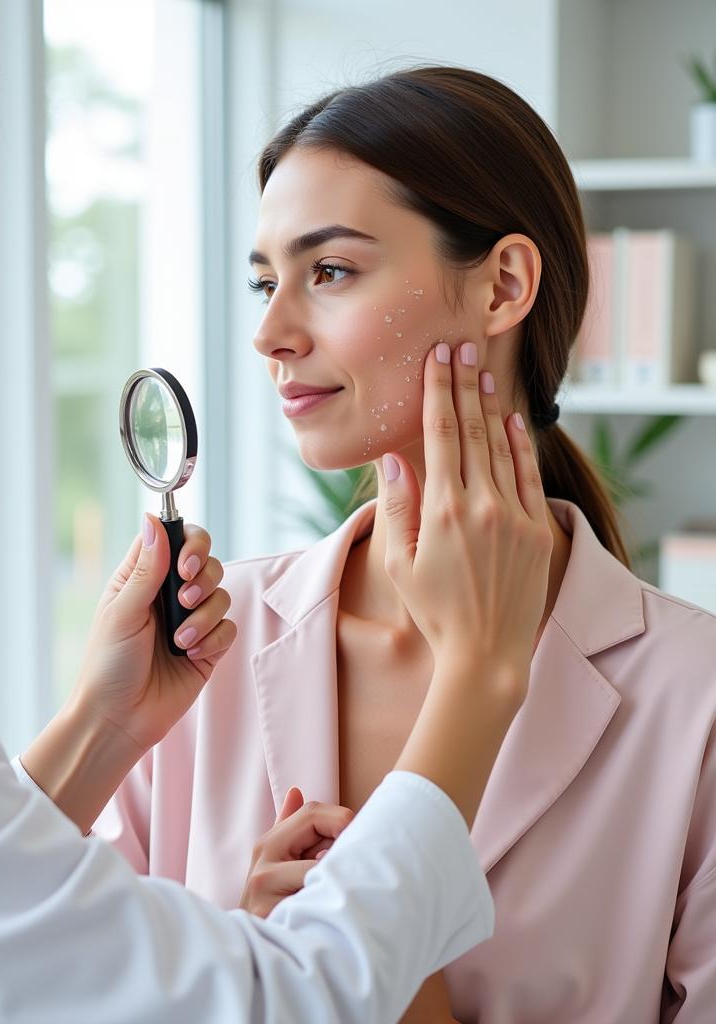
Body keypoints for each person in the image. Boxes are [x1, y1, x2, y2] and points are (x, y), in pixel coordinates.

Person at [0, 5, 552, 1020]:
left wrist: (105, 726)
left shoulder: (681, 683)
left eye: (327, 271)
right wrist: (483, 676)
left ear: (503, 285)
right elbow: (276, 1002)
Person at [95, 67, 716, 1023]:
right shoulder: (193, 654)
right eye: (266, 281)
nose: (270, 331)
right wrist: (248, 975)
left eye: (330, 271)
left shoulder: (695, 698)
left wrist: (377, 975)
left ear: (503, 284)